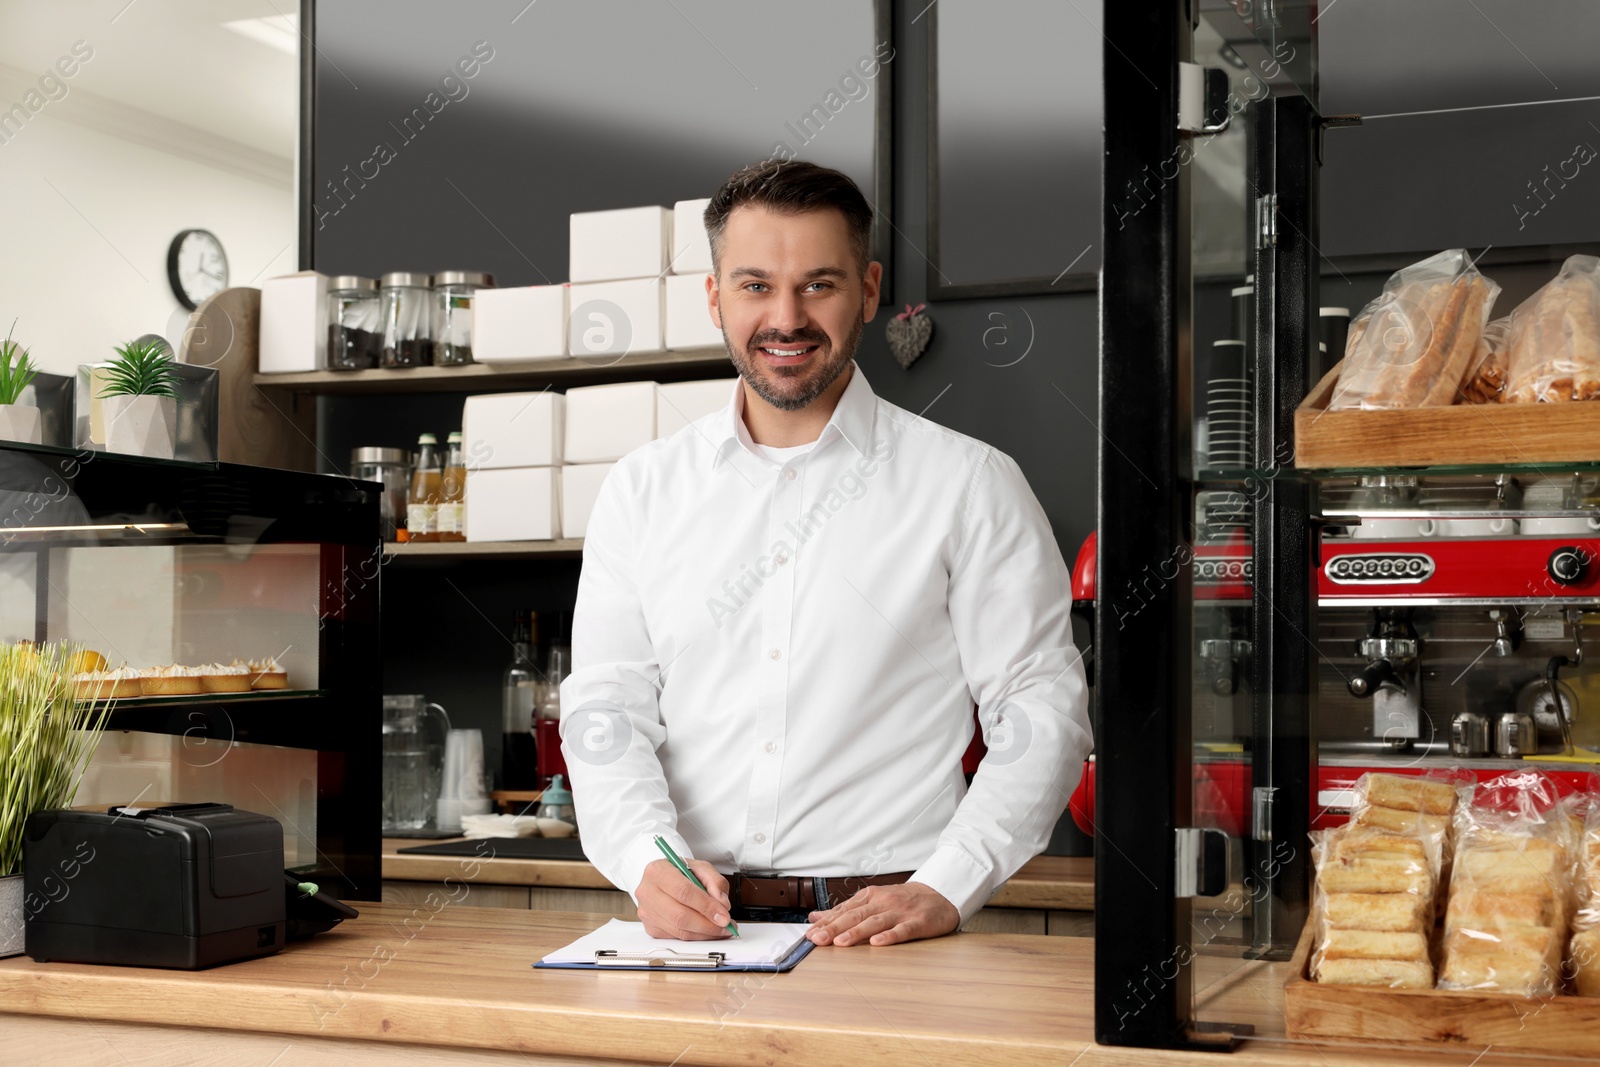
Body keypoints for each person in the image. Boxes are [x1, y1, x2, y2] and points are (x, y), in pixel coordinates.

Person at [558, 159, 1090, 949]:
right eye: (754, 285)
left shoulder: (970, 483)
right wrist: (645, 858)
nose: (785, 317)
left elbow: (1040, 709)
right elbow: (605, 710)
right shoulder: (642, 490)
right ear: (714, 298)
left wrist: (947, 884)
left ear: (869, 291)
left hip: (889, 939)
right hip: (695, 939)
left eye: (818, 284)